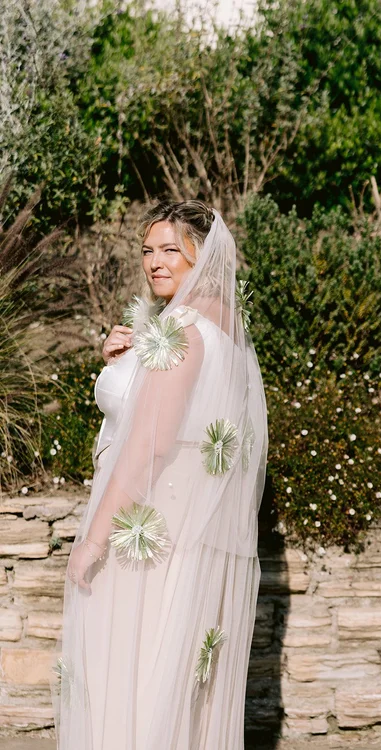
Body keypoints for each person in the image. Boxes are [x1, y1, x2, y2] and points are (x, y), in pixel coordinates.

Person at [51, 200, 268, 750]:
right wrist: (122, 361)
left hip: (146, 535)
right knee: (166, 683)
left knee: (131, 678)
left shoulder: (183, 331)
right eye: (148, 250)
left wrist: (93, 540)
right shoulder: (222, 328)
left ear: (202, 254)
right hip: (182, 529)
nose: (155, 261)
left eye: (171, 249)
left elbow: (151, 447)